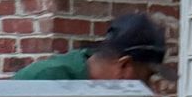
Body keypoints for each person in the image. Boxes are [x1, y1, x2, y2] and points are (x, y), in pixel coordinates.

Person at [13, 10, 169, 85]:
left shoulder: (102, 89)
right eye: (146, 78)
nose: (150, 91)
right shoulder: (47, 80)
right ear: (124, 65)